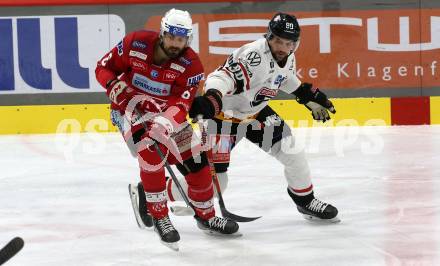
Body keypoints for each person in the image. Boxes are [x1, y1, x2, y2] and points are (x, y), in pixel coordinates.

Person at [165, 12, 340, 223]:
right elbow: (222, 77)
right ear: (268, 37)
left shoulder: (288, 56)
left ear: (295, 44)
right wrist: (211, 97)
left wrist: (306, 96)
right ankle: (154, 193)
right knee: (217, 180)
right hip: (223, 119)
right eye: (278, 41)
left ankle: (305, 201)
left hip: (256, 115)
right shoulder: (254, 57)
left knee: (293, 153)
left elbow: (282, 77)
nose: (283, 48)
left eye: (288, 43)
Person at [95, 8, 239, 251]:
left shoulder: (191, 65)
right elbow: (102, 67)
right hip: (128, 108)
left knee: (197, 162)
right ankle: (160, 217)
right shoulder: (136, 43)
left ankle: (206, 215)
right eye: (172, 37)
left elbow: (181, 104)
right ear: (162, 33)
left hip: (168, 115)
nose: (175, 43)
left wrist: (165, 123)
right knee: (150, 153)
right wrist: (112, 84)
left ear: (188, 39)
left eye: (181, 39)